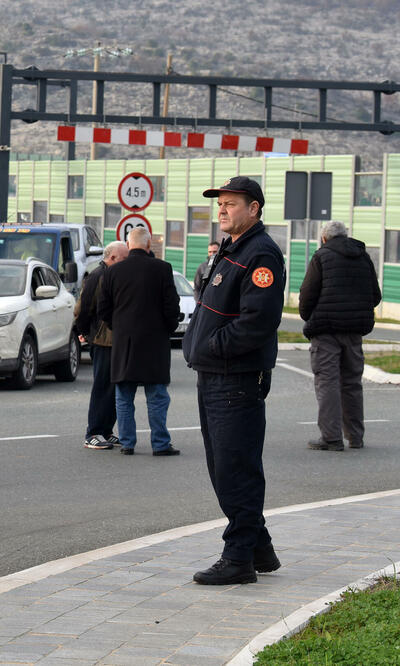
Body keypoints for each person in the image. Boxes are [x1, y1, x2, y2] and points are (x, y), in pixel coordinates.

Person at [183, 176, 285, 585]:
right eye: (220, 204)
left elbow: (258, 322)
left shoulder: (261, 254)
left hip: (235, 377)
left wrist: (211, 347)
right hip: (214, 375)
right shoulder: (233, 248)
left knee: (235, 468)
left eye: (231, 203)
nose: (222, 210)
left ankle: (239, 558)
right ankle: (259, 548)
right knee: (222, 466)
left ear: (254, 208)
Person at [298, 220, 381, 451]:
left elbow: (307, 293)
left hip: (326, 331)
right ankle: (355, 437)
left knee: (328, 382)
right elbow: (375, 295)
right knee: (352, 383)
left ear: (324, 238)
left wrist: (308, 315)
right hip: (354, 331)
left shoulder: (321, 256)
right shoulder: (363, 257)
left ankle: (331, 437)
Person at [98, 227, 180, 457]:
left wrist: (119, 327)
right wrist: (167, 328)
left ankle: (127, 443)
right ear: (148, 244)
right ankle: (160, 443)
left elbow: (103, 309)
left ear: (128, 243)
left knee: (124, 396)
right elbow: (171, 306)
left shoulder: (113, 272)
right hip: (155, 343)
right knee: (157, 397)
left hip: (124, 343)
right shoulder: (162, 269)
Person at [74, 240, 129, 450]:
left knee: (113, 386)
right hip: (101, 339)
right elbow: (83, 308)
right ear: (112, 257)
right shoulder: (98, 276)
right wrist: (84, 332)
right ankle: (94, 432)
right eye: (124, 258)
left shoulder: (112, 275)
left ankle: (106, 430)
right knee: (102, 386)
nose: (127, 262)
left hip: (113, 339)